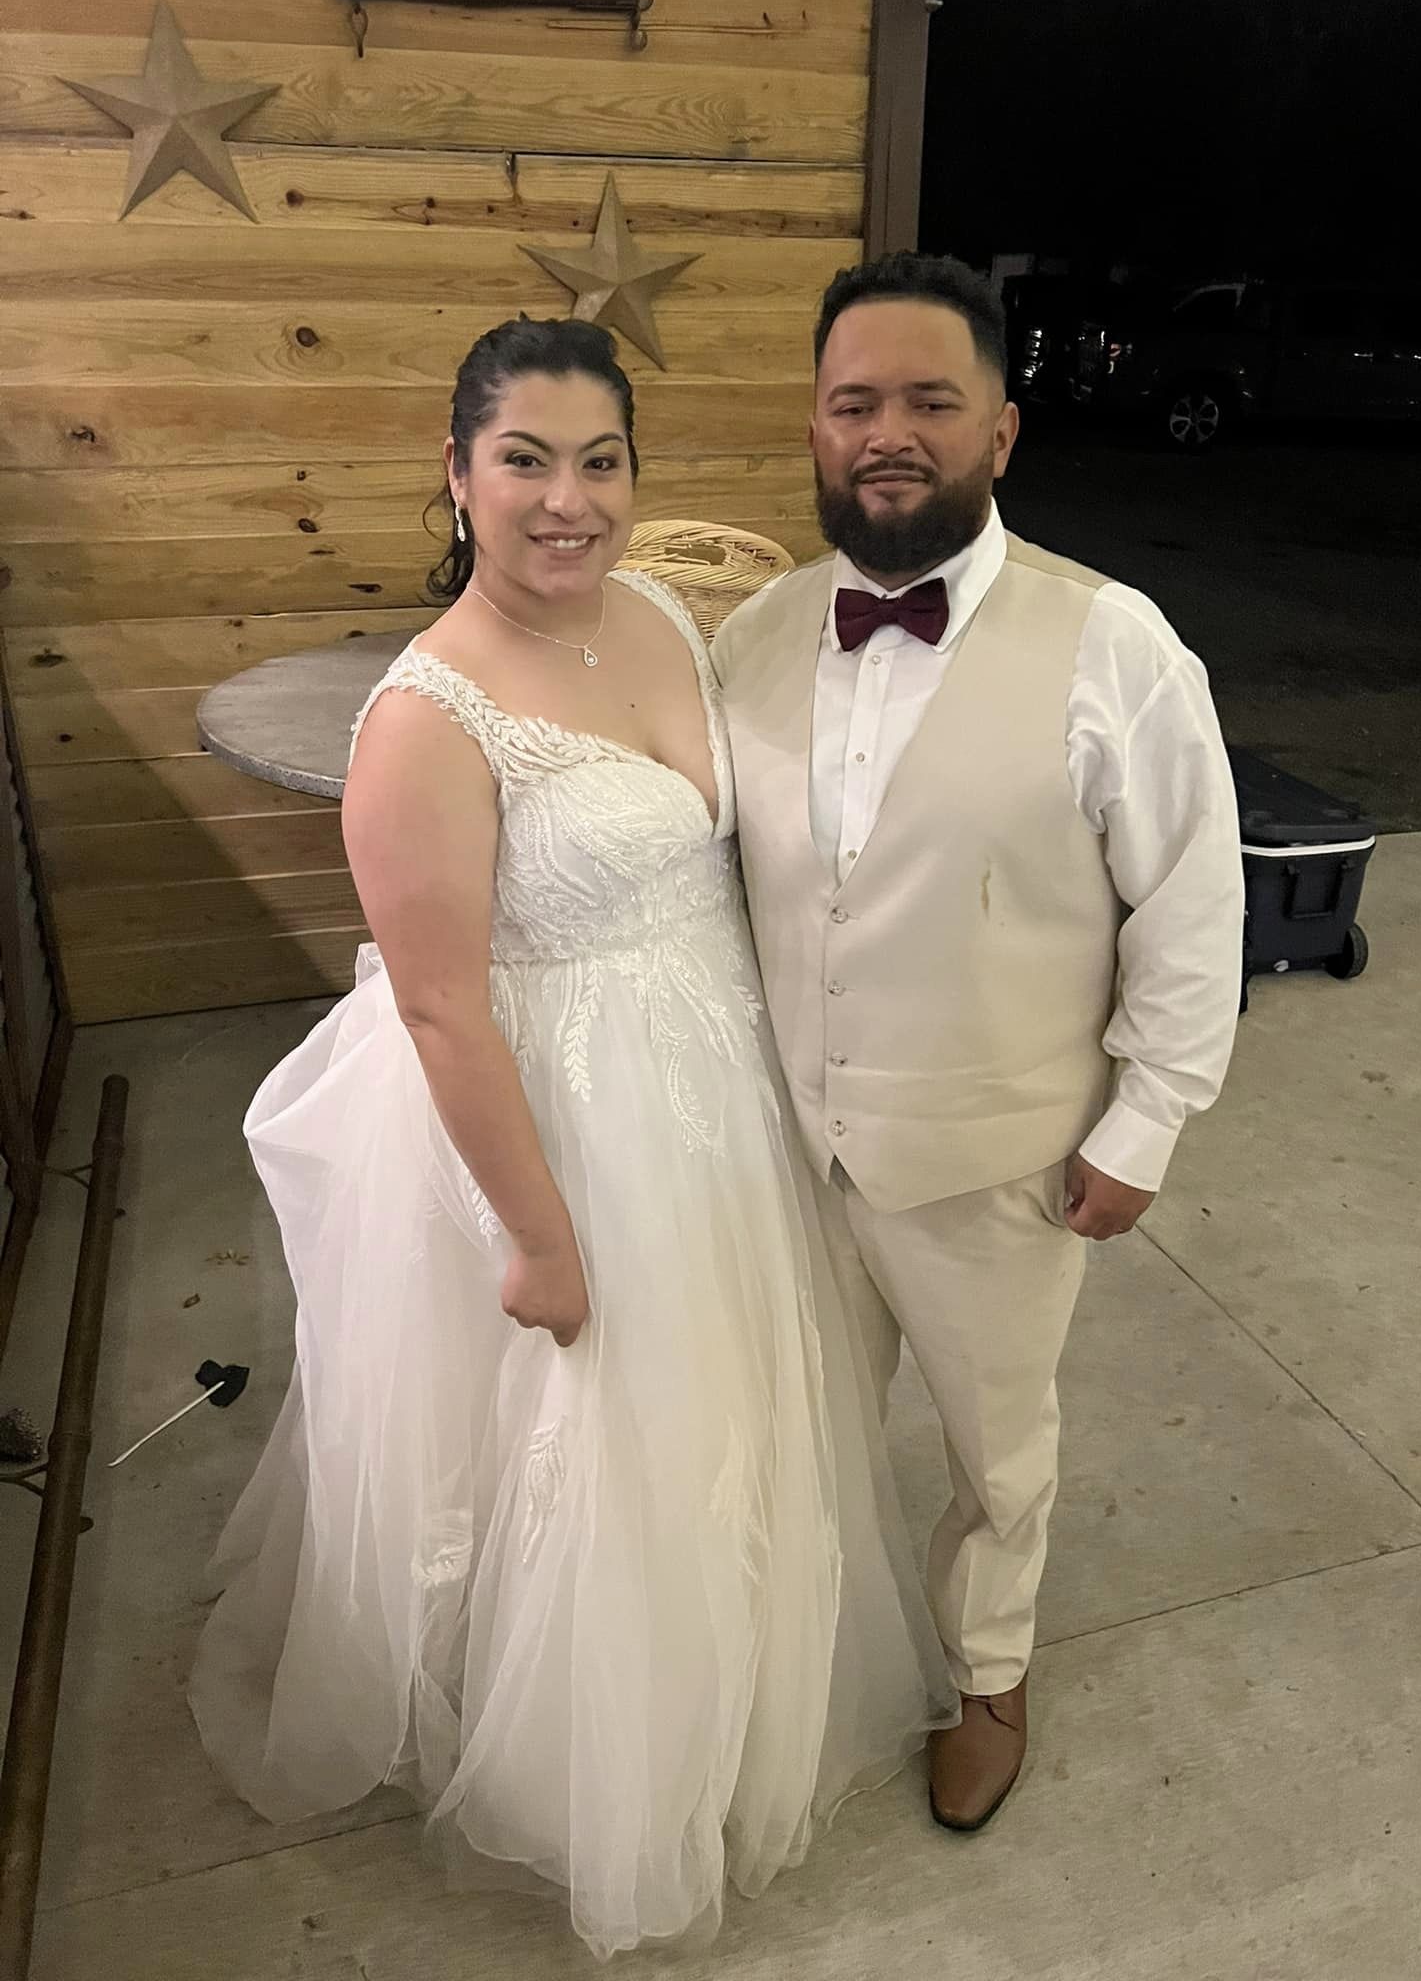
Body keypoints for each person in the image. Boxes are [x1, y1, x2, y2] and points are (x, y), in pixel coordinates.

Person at [189, 317, 954, 1959]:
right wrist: (540, 1238)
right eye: (525, 460)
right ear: (457, 476)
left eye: (601, 462)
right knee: (591, 1444)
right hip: (563, 1120)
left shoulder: (661, 615)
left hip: (713, 1084)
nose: (568, 500)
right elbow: (439, 1009)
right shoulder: (424, 719)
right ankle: (599, 1769)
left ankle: (735, 1690)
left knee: (728, 1409)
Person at [711, 253, 1245, 1835]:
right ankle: (808, 1652)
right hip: (785, 1144)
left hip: (998, 1159)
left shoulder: (1115, 643)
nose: (889, 433)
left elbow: (1192, 902)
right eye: (854, 402)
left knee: (997, 1452)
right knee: (791, 1426)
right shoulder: (751, 636)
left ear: (1000, 431)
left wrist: (1147, 1123)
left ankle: (988, 1672)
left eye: (930, 402)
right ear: (815, 428)